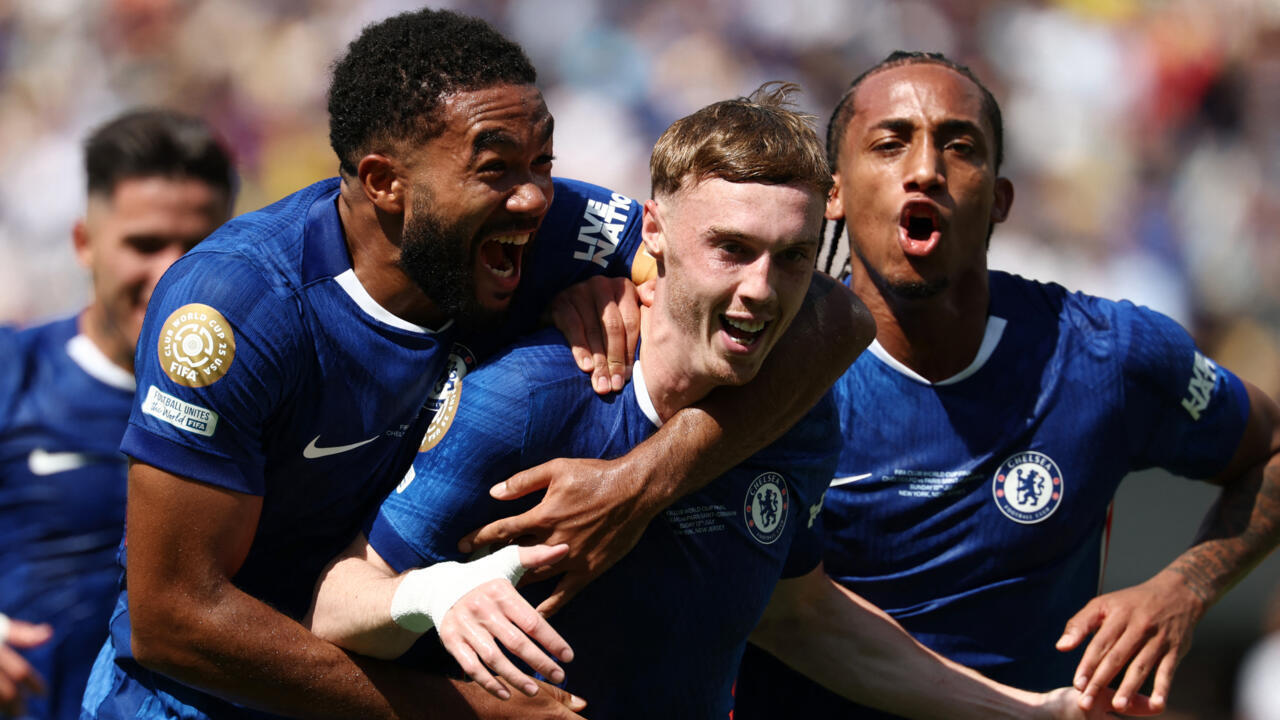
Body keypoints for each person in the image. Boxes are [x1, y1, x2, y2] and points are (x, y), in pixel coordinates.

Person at [80, 10, 864, 720]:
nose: (534, 198)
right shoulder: (238, 308)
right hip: (197, 698)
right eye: (495, 168)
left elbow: (832, 317)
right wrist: (471, 714)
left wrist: (643, 481)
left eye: (543, 160)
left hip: (376, 663)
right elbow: (173, 619)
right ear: (385, 182)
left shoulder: (556, 229)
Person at [303, 84, 1149, 720]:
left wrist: (1032, 712)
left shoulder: (796, 414)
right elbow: (334, 603)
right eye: (731, 250)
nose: (761, 291)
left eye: (791, 257)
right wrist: (434, 595)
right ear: (655, 233)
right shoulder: (531, 401)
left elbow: (798, 613)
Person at [734, 51, 1280, 718]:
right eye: (891, 143)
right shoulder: (763, 366)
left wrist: (1185, 587)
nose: (925, 169)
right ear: (834, 194)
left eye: (959, 146)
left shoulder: (1108, 355)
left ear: (1000, 199)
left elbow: (1272, 448)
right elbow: (790, 616)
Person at [0, 109, 234, 720]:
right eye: (145, 245)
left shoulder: (266, 399)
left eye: (199, 247)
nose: (173, 274)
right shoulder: (14, 372)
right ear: (84, 243)